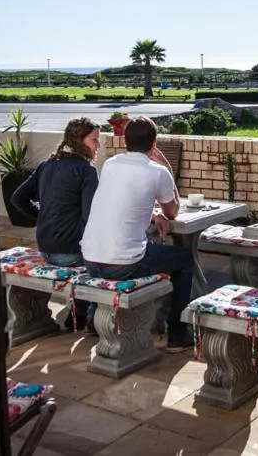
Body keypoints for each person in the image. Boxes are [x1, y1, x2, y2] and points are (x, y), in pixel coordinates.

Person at [81, 116, 194, 352]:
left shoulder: (110, 164)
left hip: (89, 259)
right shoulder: (157, 172)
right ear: (154, 143)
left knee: (140, 249)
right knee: (184, 259)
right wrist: (164, 164)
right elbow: (173, 211)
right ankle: (176, 333)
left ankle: (93, 318)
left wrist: (153, 215)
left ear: (125, 142)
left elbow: (120, 201)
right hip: (123, 264)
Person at [11, 117, 101, 331]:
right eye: (94, 139)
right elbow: (91, 217)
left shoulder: (46, 165)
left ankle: (77, 314)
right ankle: (84, 316)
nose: (97, 144)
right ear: (79, 140)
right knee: (104, 260)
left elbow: (17, 198)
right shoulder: (87, 171)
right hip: (69, 252)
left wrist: (41, 218)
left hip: (45, 248)